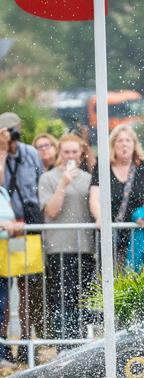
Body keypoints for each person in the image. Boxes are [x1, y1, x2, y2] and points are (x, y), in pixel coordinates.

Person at [37, 133, 94, 347]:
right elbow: (51, 210)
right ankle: (64, 345)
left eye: (74, 151)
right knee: (63, 297)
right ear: (59, 152)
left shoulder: (88, 179)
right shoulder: (48, 178)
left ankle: (80, 344)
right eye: (66, 151)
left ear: (80, 153)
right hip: (59, 246)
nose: (70, 155)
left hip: (86, 247)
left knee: (82, 298)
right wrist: (63, 182)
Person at [0, 112, 45, 351]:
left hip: (29, 228)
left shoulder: (31, 154)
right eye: (7, 131)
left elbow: (39, 188)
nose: (13, 136)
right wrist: (2, 150)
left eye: (14, 130)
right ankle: (5, 345)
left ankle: (27, 344)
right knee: (4, 292)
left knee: (28, 289)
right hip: (5, 233)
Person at [89, 124, 144, 270]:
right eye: (120, 141)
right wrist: (100, 217)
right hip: (112, 234)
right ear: (113, 144)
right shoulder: (102, 167)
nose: (124, 145)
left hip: (139, 229)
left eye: (128, 140)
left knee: (142, 276)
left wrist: (143, 214)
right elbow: (94, 198)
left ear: (134, 144)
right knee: (114, 277)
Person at [0, 181, 24, 367]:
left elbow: (12, 216)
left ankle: (1, 354)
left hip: (4, 254)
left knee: (1, 307)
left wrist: (15, 225)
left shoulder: (2, 192)